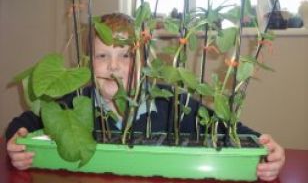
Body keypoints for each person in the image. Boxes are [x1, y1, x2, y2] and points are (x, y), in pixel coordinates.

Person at [6, 13, 285, 181]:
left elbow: (227, 129)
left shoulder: (171, 103)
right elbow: (28, 121)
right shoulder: (78, 100)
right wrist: (16, 142)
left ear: (142, 62)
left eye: (125, 56)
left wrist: (267, 150)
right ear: (90, 63)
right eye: (103, 56)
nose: (113, 67)